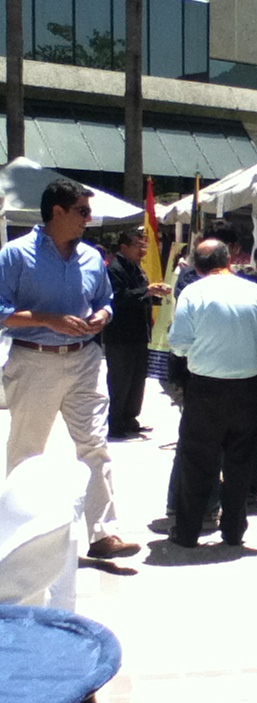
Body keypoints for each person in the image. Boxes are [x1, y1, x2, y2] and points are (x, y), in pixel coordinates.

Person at [0, 178, 140, 560]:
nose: (88, 219)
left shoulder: (93, 257)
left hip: (85, 360)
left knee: (95, 446)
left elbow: (105, 299)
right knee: (28, 452)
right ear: (57, 211)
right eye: (83, 211)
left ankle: (104, 534)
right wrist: (48, 319)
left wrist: (103, 315)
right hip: (34, 360)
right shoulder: (15, 254)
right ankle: (19, 537)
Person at [167, 239, 257, 547]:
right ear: (229, 261)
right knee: (240, 461)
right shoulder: (253, 291)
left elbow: (178, 343)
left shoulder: (193, 292)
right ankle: (233, 531)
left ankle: (188, 532)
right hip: (247, 388)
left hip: (206, 387)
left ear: (197, 267)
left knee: (197, 460)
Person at [103, 227, 172, 439]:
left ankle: (130, 419)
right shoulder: (114, 269)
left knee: (137, 379)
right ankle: (115, 422)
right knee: (120, 380)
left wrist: (155, 294)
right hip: (121, 336)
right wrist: (147, 291)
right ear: (124, 247)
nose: (142, 250)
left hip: (139, 334)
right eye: (138, 245)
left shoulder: (137, 267)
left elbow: (140, 295)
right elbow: (118, 298)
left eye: (145, 245)